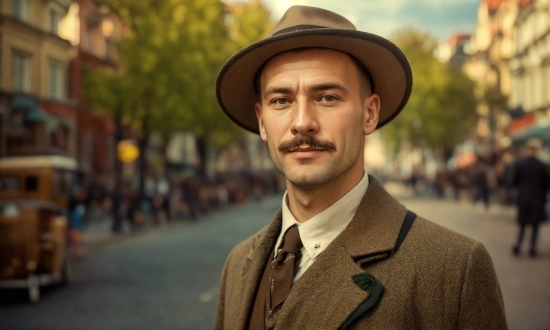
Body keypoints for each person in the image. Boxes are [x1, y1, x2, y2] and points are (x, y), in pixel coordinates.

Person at [214, 6, 507, 329]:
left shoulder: (453, 270)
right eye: (281, 101)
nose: (302, 123)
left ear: (369, 114)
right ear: (262, 121)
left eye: (327, 97)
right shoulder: (240, 262)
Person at [511, 138, 550, 257]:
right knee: (535, 225)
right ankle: (532, 247)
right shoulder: (543, 165)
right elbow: (548, 183)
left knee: (523, 224)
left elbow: (514, 181)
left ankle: (518, 244)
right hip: (538, 198)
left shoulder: (520, 163)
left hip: (523, 197)